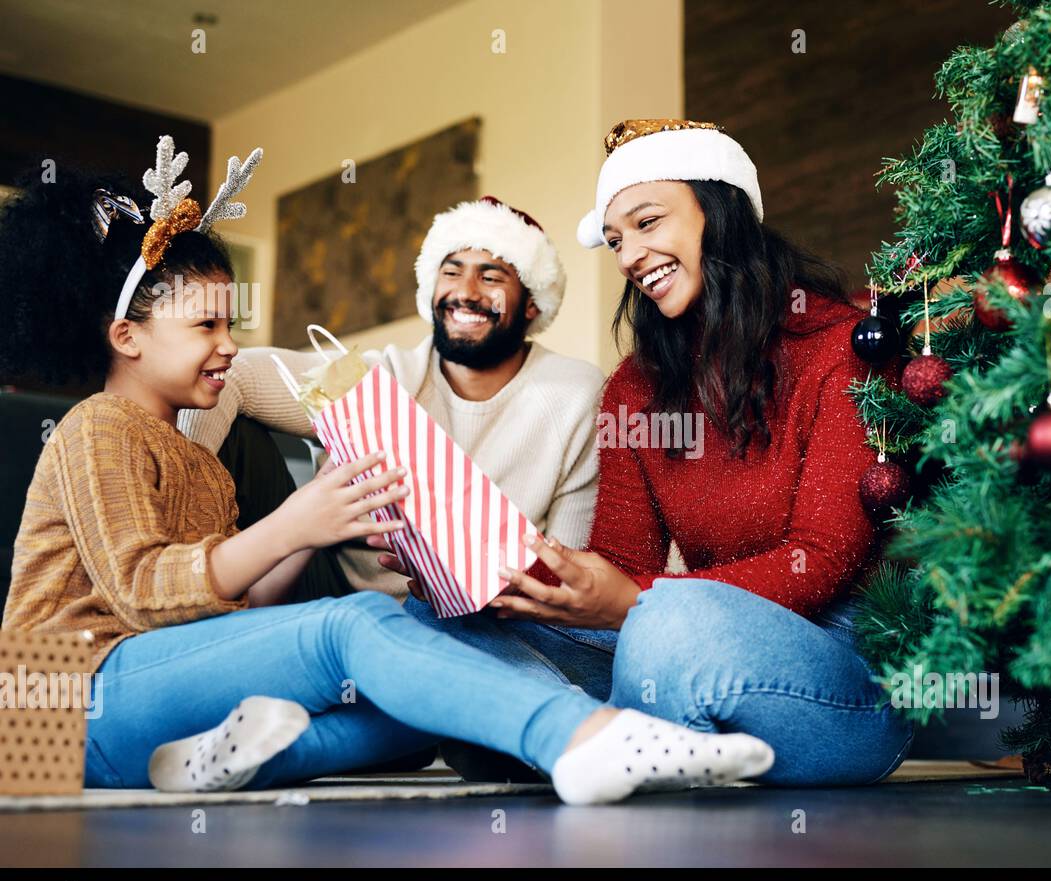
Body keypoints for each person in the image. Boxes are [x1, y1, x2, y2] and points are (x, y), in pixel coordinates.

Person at [0, 136, 774, 804]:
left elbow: (238, 603)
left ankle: (228, 762)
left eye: (230, 321)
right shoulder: (96, 426)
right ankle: (587, 738)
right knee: (356, 627)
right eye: (206, 323)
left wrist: (321, 520)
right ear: (124, 337)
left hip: (152, 721)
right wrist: (293, 523)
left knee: (428, 685)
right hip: (59, 711)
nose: (230, 343)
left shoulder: (194, 463)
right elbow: (142, 592)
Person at [392, 118, 915, 786]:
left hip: (842, 675)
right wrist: (491, 577)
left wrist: (634, 601)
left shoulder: (842, 346)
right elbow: (620, 567)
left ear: (719, 210)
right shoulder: (634, 391)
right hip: (672, 636)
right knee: (433, 618)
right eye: (614, 240)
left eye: (647, 222)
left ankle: (555, 731)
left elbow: (821, 562)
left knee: (667, 622)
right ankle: (587, 732)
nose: (629, 255)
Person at [179, 195, 606, 604]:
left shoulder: (572, 394)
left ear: (532, 303)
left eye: (491, 276)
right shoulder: (384, 376)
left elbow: (567, 570)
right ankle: (183, 593)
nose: (466, 292)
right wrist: (179, 515)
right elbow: (234, 373)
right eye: (452, 272)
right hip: (332, 591)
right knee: (230, 417)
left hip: (488, 614)